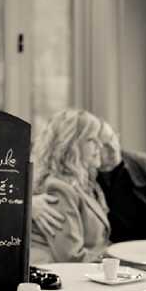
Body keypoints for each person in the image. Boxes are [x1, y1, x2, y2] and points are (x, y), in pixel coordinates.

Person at [33, 120, 146, 242]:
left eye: (113, 138)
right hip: (107, 265)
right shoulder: (76, 178)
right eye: (102, 144)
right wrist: (29, 205)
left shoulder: (145, 165)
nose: (113, 148)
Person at [30, 109, 111, 264]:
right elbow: (71, 257)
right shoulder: (59, 188)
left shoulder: (85, 183)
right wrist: (121, 263)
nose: (100, 146)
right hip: (62, 281)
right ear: (72, 145)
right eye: (92, 140)